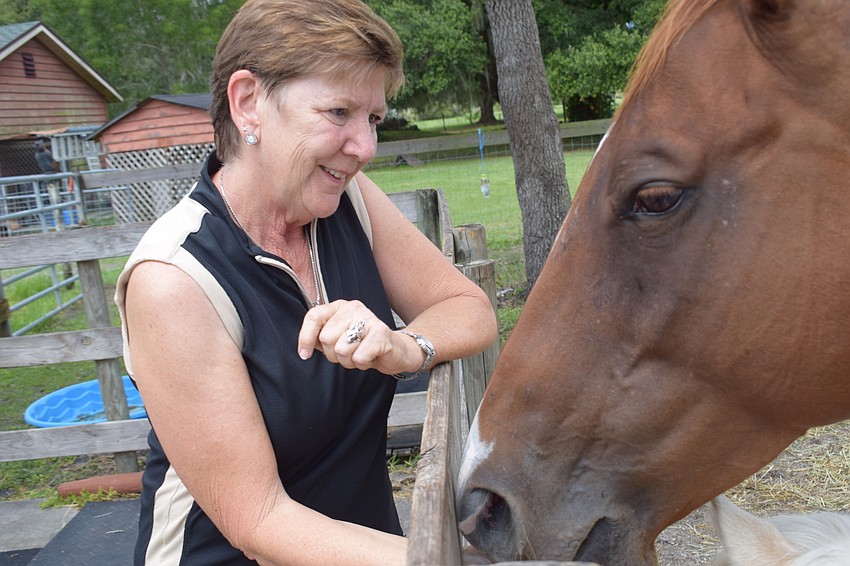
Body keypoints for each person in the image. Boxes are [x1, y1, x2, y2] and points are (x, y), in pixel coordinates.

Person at [114, 1, 498, 564]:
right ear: (248, 103)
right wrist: (446, 560)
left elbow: (468, 307)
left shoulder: (347, 203)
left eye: (373, 118)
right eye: (339, 112)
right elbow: (258, 519)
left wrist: (402, 346)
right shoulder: (174, 278)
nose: (365, 148)